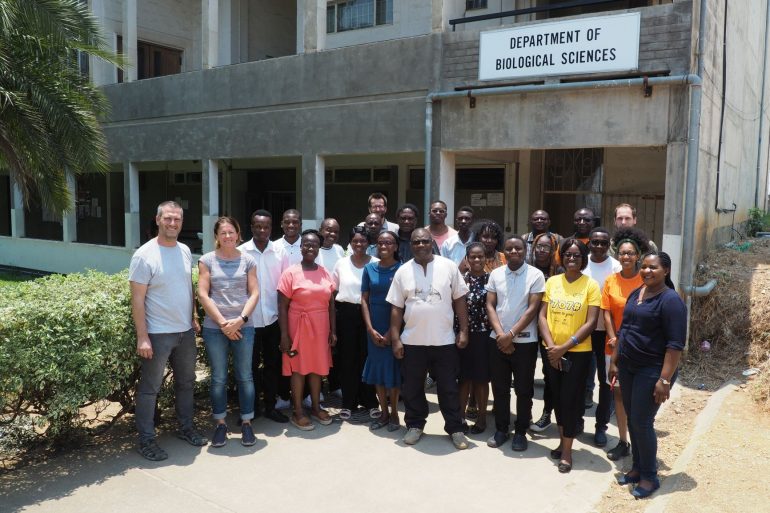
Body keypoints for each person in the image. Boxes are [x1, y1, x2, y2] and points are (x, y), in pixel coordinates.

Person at [129, 201, 208, 461]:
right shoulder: (144, 255)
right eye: (168, 219)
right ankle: (146, 440)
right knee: (150, 389)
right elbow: (137, 299)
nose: (172, 223)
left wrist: (194, 316)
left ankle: (185, 428)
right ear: (158, 219)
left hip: (184, 331)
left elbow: (187, 287)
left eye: (177, 219)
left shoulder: (185, 250)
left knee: (186, 383)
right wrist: (143, 337)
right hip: (158, 334)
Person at [609, 251, 686, 499]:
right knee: (633, 419)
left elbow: (675, 345)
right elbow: (624, 329)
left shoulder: (671, 301)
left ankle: (650, 477)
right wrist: (615, 360)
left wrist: (664, 380)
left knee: (643, 423)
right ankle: (637, 469)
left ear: (666, 271)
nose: (646, 271)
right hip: (629, 367)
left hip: (652, 370)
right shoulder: (638, 293)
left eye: (653, 267)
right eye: (644, 267)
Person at [387, 228, 470, 450]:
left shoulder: (448, 267)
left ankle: (455, 428)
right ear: (411, 245)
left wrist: (463, 330)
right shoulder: (403, 271)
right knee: (412, 387)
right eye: (416, 242)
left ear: (432, 242)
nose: (421, 245)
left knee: (448, 388)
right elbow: (396, 308)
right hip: (412, 341)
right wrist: (395, 339)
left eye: (425, 241)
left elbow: (460, 300)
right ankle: (415, 425)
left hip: (444, 341)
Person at [538, 238, 600, 473]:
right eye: (567, 255)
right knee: (555, 397)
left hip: (577, 354)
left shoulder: (590, 285)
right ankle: (563, 441)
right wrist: (552, 347)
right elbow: (542, 316)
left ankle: (567, 452)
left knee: (570, 401)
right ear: (561, 257)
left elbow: (592, 322)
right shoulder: (553, 282)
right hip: (551, 352)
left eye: (576, 255)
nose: (571, 258)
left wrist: (564, 347)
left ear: (583, 259)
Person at [198, 216, 260, 447]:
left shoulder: (248, 260)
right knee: (218, 378)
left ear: (238, 233)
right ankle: (221, 424)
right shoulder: (207, 260)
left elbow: (254, 293)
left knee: (245, 376)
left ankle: (246, 423)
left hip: (244, 327)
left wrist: (240, 320)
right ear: (216, 236)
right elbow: (203, 294)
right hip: (216, 329)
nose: (227, 236)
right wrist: (224, 324)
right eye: (222, 233)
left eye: (231, 232)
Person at [485, 236, 546, 450]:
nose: (513, 252)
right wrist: (502, 335)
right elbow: (490, 305)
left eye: (518, 248)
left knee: (524, 389)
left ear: (524, 250)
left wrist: (510, 334)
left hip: (525, 342)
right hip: (498, 340)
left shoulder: (536, 275)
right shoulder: (495, 273)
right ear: (504, 250)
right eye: (509, 248)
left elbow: (532, 309)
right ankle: (502, 429)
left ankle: (520, 431)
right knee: (500, 389)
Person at [277, 229, 337, 431]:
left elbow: (331, 305)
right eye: (306, 244)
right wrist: (285, 335)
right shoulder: (290, 273)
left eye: (314, 245)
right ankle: (298, 411)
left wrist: (333, 331)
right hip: (298, 327)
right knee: (299, 369)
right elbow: (282, 307)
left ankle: (316, 408)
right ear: (301, 247)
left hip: (321, 327)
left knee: (317, 368)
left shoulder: (324, 272)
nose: (310, 247)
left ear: (319, 248)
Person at [601, 227, 649, 461]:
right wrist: (612, 338)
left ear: (638, 255)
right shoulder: (611, 280)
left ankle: (640, 439)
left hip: (640, 346)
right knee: (618, 394)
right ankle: (623, 441)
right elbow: (607, 312)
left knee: (638, 397)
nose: (626, 257)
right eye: (622, 253)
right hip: (615, 347)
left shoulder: (646, 280)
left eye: (630, 253)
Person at [238, 209, 290, 423]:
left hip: (273, 320)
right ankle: (250, 409)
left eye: (266, 226)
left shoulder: (280, 252)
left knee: (272, 366)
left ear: (271, 228)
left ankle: (270, 406)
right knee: (248, 369)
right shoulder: (241, 252)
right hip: (247, 321)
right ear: (251, 228)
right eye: (257, 226)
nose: (262, 230)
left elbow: (286, 287)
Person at [333, 226, 378, 420]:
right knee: (348, 359)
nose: (359, 244)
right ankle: (348, 403)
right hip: (346, 314)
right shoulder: (341, 264)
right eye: (355, 241)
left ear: (369, 243)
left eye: (363, 241)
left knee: (368, 358)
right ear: (350, 243)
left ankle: (370, 402)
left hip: (370, 314)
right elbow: (333, 293)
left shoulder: (376, 263)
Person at [582, 227, 621, 446]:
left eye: (603, 243)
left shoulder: (615, 267)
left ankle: (600, 427)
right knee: (578, 379)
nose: (598, 246)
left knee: (605, 382)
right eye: (595, 242)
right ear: (589, 243)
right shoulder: (581, 263)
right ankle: (576, 422)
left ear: (609, 245)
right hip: (582, 332)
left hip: (607, 333)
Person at [361, 230, 403, 431]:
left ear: (395, 246)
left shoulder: (402, 269)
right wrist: (370, 329)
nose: (384, 246)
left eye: (388, 242)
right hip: (374, 327)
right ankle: (383, 413)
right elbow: (364, 300)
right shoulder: (369, 269)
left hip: (394, 327)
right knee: (377, 372)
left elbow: (405, 303)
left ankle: (395, 413)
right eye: (380, 242)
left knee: (392, 372)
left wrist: (391, 332)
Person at [456, 242, 491, 435]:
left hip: (484, 336)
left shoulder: (492, 280)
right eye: (473, 257)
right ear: (467, 259)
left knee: (481, 379)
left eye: (480, 256)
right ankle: (460, 418)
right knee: (463, 379)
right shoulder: (460, 280)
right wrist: (461, 331)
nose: (477, 260)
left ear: (486, 258)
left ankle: (482, 418)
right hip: (463, 334)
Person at [528, 231, 561, 433]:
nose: (542, 250)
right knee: (526, 373)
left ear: (553, 250)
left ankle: (547, 413)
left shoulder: (560, 272)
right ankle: (525, 414)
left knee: (550, 375)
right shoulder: (528, 271)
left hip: (551, 330)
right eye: (538, 246)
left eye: (547, 247)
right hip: (527, 330)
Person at [440, 206, 475, 272]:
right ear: (456, 221)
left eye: (467, 218)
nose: (463, 221)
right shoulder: (448, 243)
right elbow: (444, 266)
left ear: (472, 221)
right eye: (460, 218)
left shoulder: (477, 241)